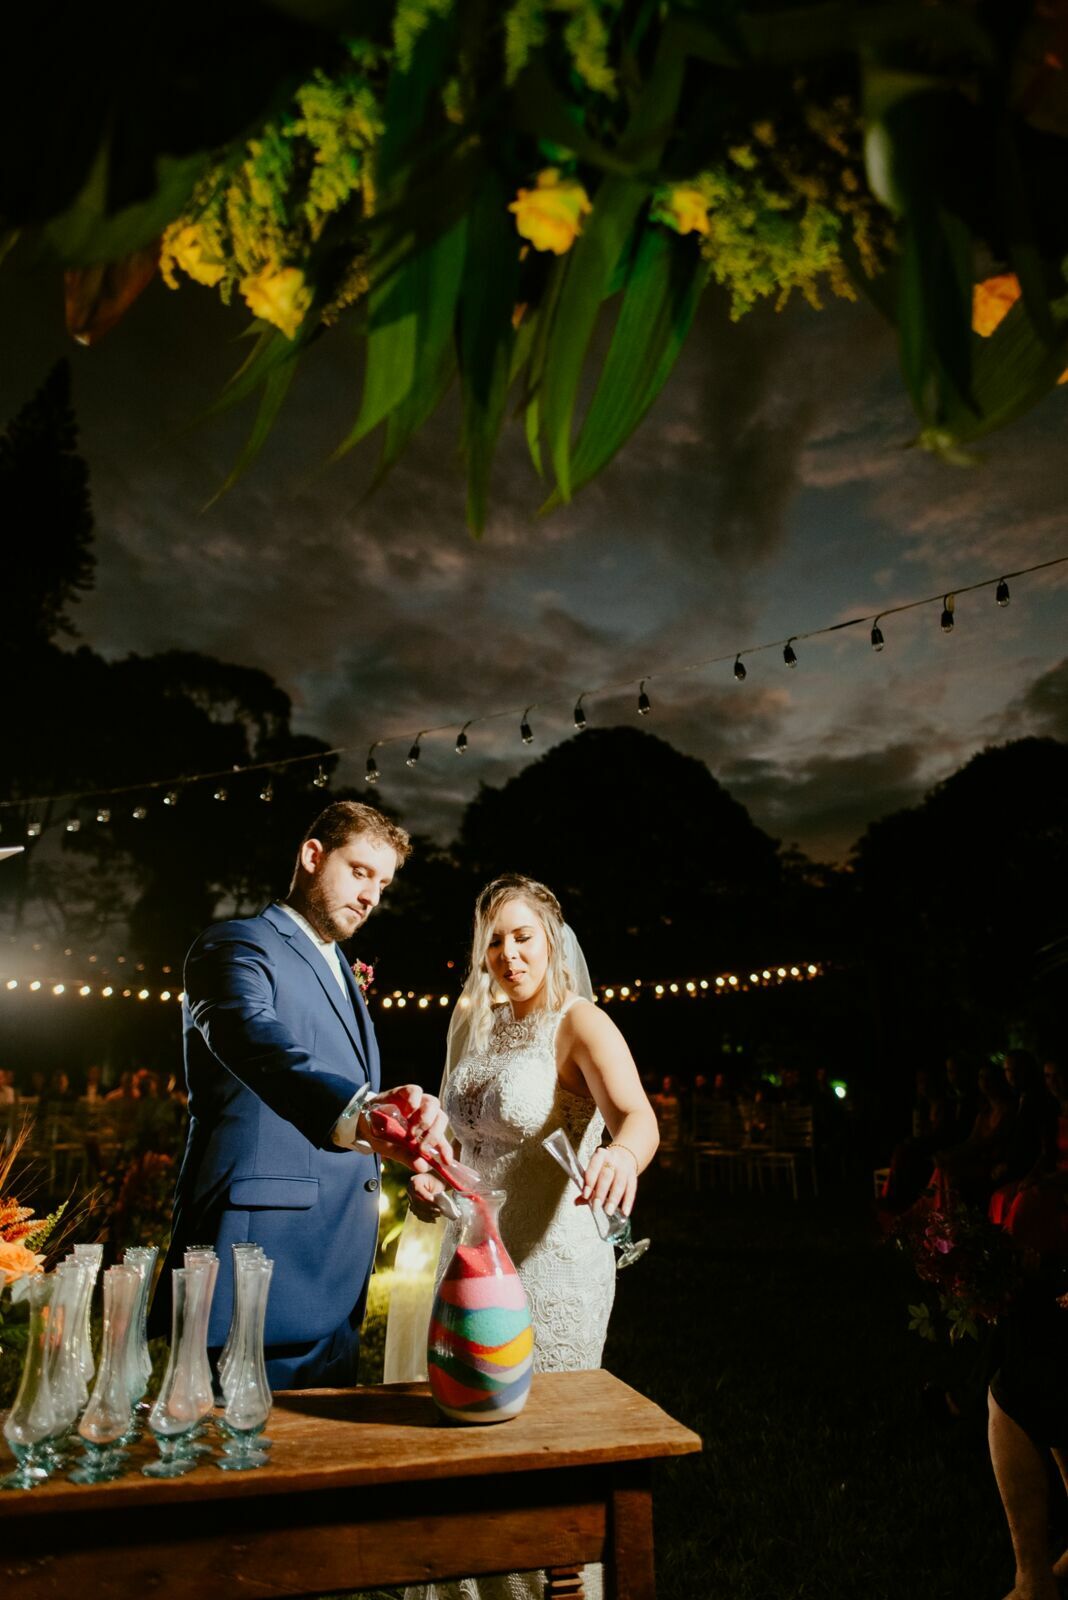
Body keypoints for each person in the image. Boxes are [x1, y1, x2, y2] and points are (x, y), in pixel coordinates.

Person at [386, 872, 659, 1600]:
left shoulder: (579, 1022)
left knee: (541, 1449)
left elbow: (639, 1116)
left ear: (552, 942)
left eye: (522, 937)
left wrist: (620, 1155)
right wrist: (432, 1186)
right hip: (468, 1258)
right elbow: (460, 1151)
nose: (509, 953)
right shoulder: (475, 1026)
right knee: (464, 1442)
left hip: (551, 1264)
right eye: (495, 941)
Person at [153, 800, 450, 1390]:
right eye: (360, 871)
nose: (372, 896)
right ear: (313, 856)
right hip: (259, 1258)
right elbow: (250, 1035)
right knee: (238, 1464)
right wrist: (360, 1112)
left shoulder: (343, 969)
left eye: (383, 884)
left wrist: (396, 1112)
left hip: (336, 1273)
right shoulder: (236, 945)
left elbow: (348, 1082)